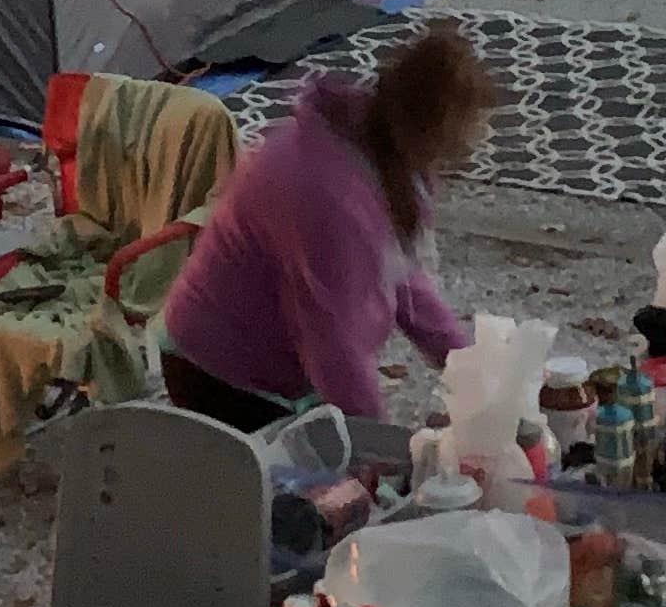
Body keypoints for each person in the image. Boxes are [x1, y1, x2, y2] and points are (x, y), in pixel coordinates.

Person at [159, 24, 498, 427]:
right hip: (219, 373)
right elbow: (334, 345)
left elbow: (402, 274)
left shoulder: (382, 153)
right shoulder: (330, 196)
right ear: (428, 132)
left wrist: (467, 367)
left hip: (271, 366)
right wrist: (376, 449)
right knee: (305, 485)